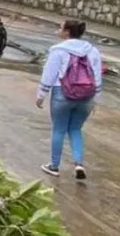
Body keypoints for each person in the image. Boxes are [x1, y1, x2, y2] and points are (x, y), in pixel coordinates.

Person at [37, 20, 102, 180]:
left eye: (60, 27)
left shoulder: (58, 51)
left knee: (59, 129)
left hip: (62, 93)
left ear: (67, 32)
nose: (58, 30)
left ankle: (54, 166)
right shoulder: (92, 51)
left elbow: (49, 74)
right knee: (75, 129)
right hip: (86, 95)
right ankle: (79, 163)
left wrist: (41, 94)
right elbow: (97, 75)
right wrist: (96, 98)